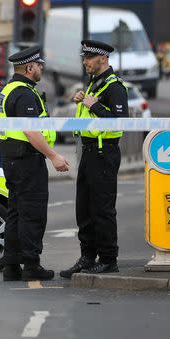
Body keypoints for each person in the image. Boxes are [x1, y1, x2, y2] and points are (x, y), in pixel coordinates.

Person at [0, 46, 70, 282]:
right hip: (27, 160)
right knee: (32, 213)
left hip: (12, 159)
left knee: (16, 212)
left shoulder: (8, 90)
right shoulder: (25, 94)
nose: (41, 69)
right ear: (29, 68)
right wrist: (53, 156)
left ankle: (11, 266)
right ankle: (31, 265)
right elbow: (31, 131)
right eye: (39, 65)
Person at [60, 40, 128, 278]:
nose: (85, 62)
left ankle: (109, 259)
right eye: (84, 57)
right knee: (84, 208)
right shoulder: (93, 84)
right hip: (88, 151)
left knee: (103, 208)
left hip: (104, 153)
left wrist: (95, 105)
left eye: (89, 57)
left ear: (103, 59)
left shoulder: (114, 86)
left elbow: (120, 121)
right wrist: (83, 101)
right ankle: (88, 257)